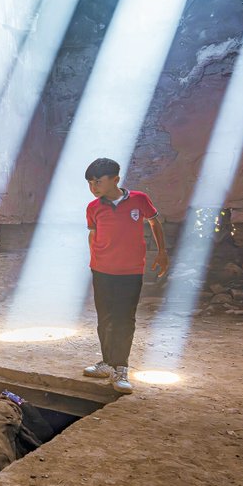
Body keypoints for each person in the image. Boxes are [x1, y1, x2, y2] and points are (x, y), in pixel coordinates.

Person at [83, 157, 169, 394]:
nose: (94, 187)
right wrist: (95, 258)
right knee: (105, 318)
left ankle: (121, 368)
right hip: (101, 270)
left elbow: (155, 223)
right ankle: (107, 363)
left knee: (124, 319)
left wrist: (162, 253)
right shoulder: (93, 207)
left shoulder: (139, 200)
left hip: (130, 271)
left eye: (98, 181)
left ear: (115, 180)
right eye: (90, 183)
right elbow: (93, 235)